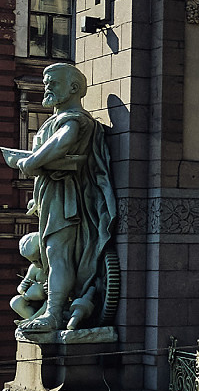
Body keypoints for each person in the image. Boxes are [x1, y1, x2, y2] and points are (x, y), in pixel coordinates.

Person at [3, 62, 116, 333]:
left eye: (53, 82)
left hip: (67, 196)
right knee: (52, 254)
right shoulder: (56, 118)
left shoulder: (74, 118)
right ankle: (54, 309)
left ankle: (53, 314)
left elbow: (64, 141)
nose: (47, 88)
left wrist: (32, 161)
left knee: (57, 254)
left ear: (74, 88)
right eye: (46, 83)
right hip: (52, 194)